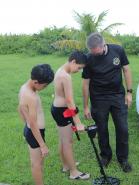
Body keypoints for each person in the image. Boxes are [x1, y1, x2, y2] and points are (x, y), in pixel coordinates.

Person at [82, 32, 133, 172]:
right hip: (98, 98)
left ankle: (123, 158)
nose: (94, 54)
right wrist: (86, 106)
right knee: (102, 129)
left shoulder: (118, 50)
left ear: (103, 45)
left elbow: (126, 70)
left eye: (96, 52)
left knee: (122, 128)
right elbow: (85, 84)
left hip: (117, 96)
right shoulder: (89, 58)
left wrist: (129, 92)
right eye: (91, 52)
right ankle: (105, 156)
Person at [51, 51, 90, 180]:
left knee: (63, 140)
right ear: (73, 62)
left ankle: (66, 165)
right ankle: (74, 172)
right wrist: (78, 122)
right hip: (63, 111)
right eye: (79, 68)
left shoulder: (60, 70)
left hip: (57, 109)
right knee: (67, 142)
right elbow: (69, 101)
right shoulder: (66, 76)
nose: (79, 71)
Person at [18, 64, 54, 185]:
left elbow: (20, 109)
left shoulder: (24, 87)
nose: (44, 87)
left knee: (39, 162)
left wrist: (25, 127)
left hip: (32, 131)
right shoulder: (31, 96)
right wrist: (42, 145)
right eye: (44, 85)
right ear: (35, 81)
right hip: (35, 133)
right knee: (37, 164)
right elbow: (33, 123)